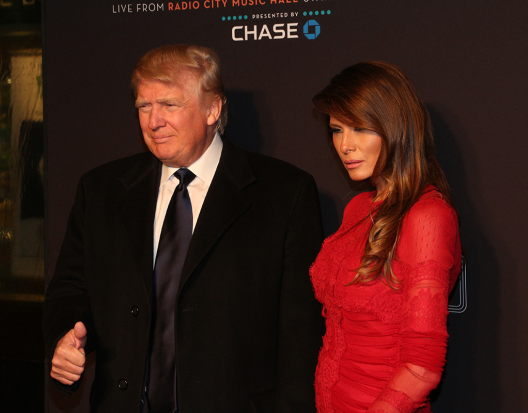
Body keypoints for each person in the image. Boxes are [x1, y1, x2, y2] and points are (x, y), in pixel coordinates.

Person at [43, 44, 324, 413]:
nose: (153, 121)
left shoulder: (283, 193)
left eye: (169, 105)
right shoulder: (102, 189)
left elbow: (300, 334)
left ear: (213, 109)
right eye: (144, 106)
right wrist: (66, 340)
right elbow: (71, 290)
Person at [309, 62, 461, 413]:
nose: (345, 145)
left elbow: (422, 368)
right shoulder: (359, 207)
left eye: (361, 128)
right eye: (336, 129)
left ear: (396, 129)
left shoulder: (428, 217)